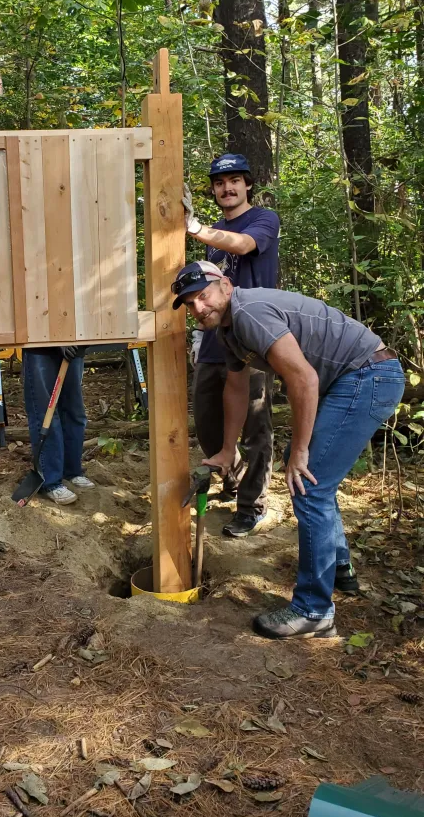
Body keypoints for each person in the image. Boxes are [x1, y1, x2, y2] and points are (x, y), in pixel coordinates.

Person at [172, 263, 404, 639]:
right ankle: (339, 567)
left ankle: (314, 611)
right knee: (314, 479)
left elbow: (303, 378)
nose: (198, 307)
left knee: (309, 484)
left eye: (203, 295)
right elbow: (236, 389)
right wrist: (228, 449)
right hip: (357, 377)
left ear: (226, 286)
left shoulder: (249, 313)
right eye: (189, 303)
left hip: (368, 375)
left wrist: (299, 451)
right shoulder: (229, 330)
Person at [183, 154, 280, 537]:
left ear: (248, 185)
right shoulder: (213, 234)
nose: (227, 188)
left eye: (235, 180)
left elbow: (242, 245)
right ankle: (235, 479)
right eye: (220, 183)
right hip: (213, 339)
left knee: (256, 425)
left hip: (254, 336)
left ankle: (252, 505)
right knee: (207, 422)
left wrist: (194, 227)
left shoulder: (263, 220)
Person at [22, 346, 95, 504]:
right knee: (45, 413)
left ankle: (72, 471)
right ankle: (50, 481)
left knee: (74, 413)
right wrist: (57, 340)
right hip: (40, 346)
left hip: (75, 346)